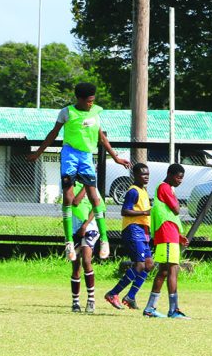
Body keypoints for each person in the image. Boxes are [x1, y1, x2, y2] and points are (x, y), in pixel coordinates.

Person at [26, 81, 129, 261]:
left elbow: (101, 137)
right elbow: (53, 133)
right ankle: (68, 242)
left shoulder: (96, 111)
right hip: (70, 155)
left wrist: (116, 157)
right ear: (79, 99)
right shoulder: (67, 112)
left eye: (92, 100)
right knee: (68, 197)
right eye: (88, 101)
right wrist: (38, 152)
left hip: (87, 156)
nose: (90, 104)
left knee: (94, 195)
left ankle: (104, 239)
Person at [105, 164, 153, 311]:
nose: (146, 177)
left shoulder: (143, 190)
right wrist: (144, 213)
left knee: (149, 264)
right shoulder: (133, 191)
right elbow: (125, 211)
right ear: (135, 175)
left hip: (143, 231)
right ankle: (113, 293)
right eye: (142, 174)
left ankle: (130, 297)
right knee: (139, 265)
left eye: (147, 174)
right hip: (133, 230)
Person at [143, 164, 189, 319]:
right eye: (178, 177)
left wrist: (178, 236)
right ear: (169, 174)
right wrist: (177, 203)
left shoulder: (167, 188)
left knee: (163, 270)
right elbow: (176, 209)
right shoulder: (164, 187)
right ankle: (173, 309)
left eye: (182, 178)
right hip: (166, 234)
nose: (180, 181)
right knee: (172, 270)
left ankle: (150, 308)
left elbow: (170, 214)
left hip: (169, 234)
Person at [67, 182, 99, 313]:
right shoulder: (69, 186)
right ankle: (75, 302)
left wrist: (85, 225)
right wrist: (86, 186)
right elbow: (75, 202)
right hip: (73, 229)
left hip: (89, 228)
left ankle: (91, 300)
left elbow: (97, 206)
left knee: (86, 261)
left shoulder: (93, 187)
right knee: (75, 266)